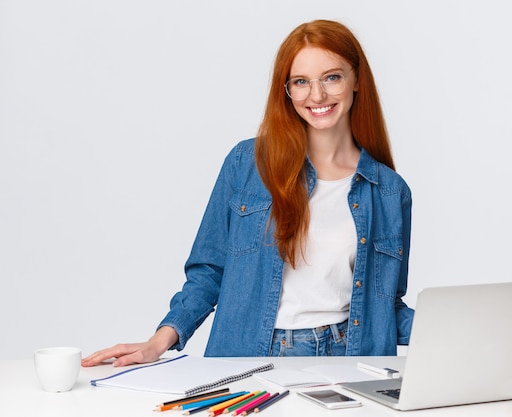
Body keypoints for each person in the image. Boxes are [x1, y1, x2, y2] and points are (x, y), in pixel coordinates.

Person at [82, 19, 414, 367]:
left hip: (348, 358)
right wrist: (159, 341)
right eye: (301, 82)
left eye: (332, 77)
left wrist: (458, 332)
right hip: (250, 353)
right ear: (286, 90)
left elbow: (385, 305)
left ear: (357, 79)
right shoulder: (247, 164)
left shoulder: (390, 191)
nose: (317, 96)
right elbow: (209, 270)